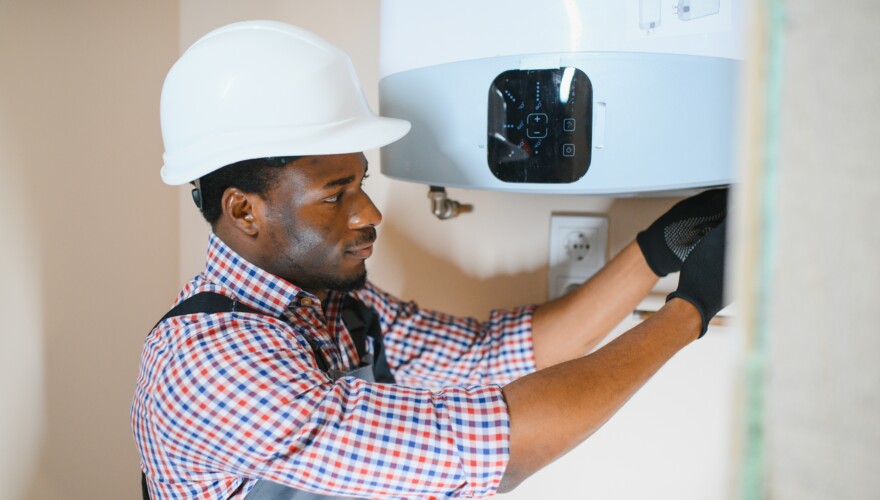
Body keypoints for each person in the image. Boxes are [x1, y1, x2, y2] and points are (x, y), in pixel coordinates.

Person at [131, 20, 730, 499]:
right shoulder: (210, 365)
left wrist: (659, 249)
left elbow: (495, 356)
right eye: (336, 194)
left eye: (361, 181)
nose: (370, 213)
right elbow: (499, 448)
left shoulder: (338, 305)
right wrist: (688, 311)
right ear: (243, 211)